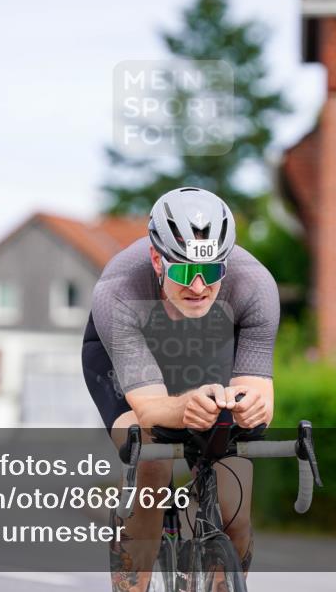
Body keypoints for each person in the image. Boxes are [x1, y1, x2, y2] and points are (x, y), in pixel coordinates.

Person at [81, 186, 280, 592]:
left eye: (210, 273)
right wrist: (184, 408)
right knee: (151, 461)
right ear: (157, 258)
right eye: (185, 272)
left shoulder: (256, 286)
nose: (199, 286)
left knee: (234, 510)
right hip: (128, 366)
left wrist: (249, 410)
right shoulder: (117, 289)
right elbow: (151, 408)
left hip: (209, 355)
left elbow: (256, 392)